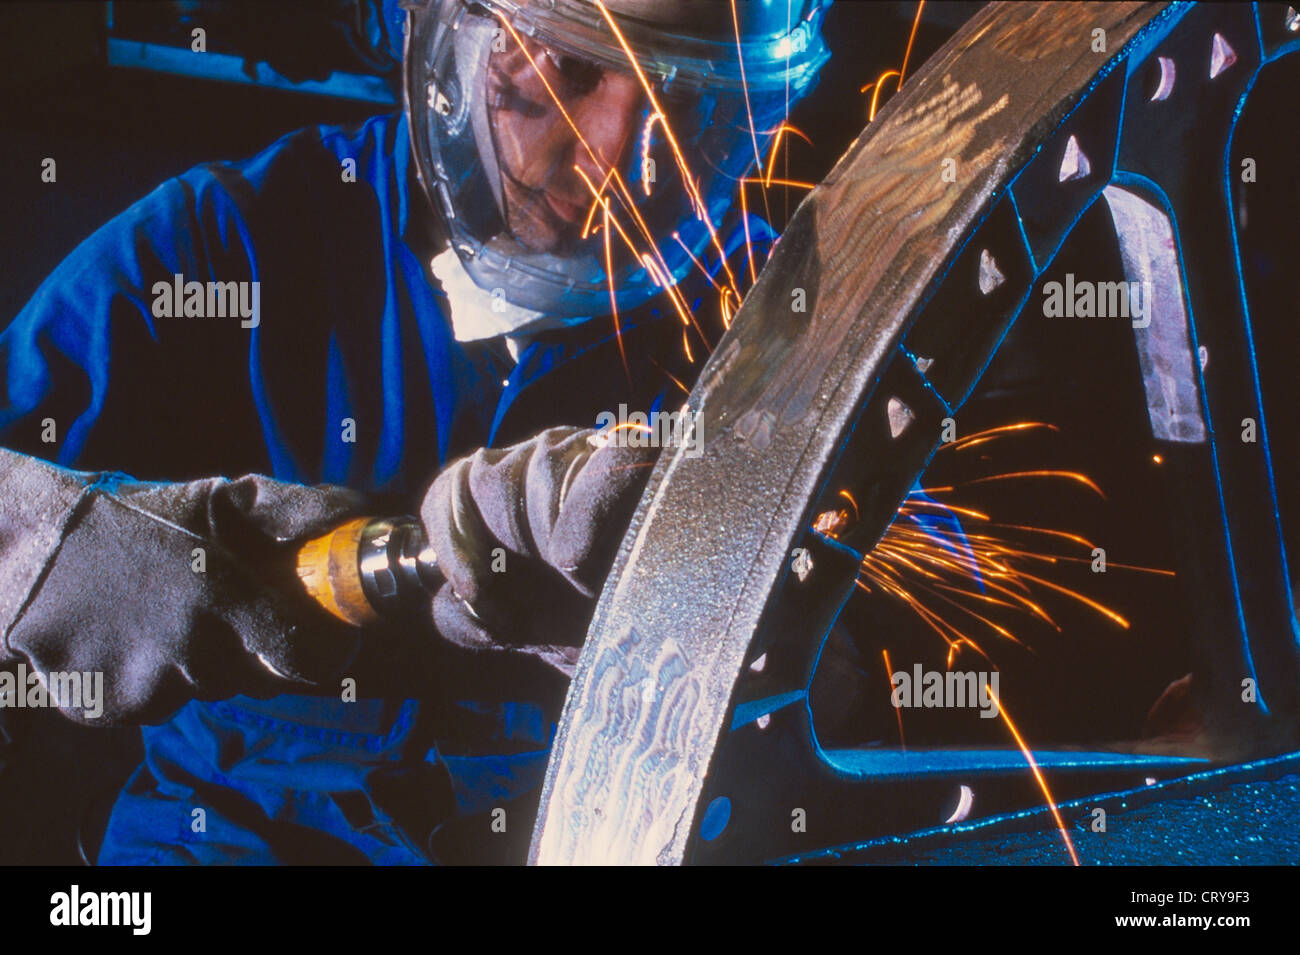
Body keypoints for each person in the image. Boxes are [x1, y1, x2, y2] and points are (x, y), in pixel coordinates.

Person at [0, 0, 831, 864]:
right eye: (566, 68)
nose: (614, 155)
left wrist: (690, 591)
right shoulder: (235, 243)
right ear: (449, 36)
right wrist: (50, 543)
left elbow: (894, 627)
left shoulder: (778, 317)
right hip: (232, 834)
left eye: (682, 94)